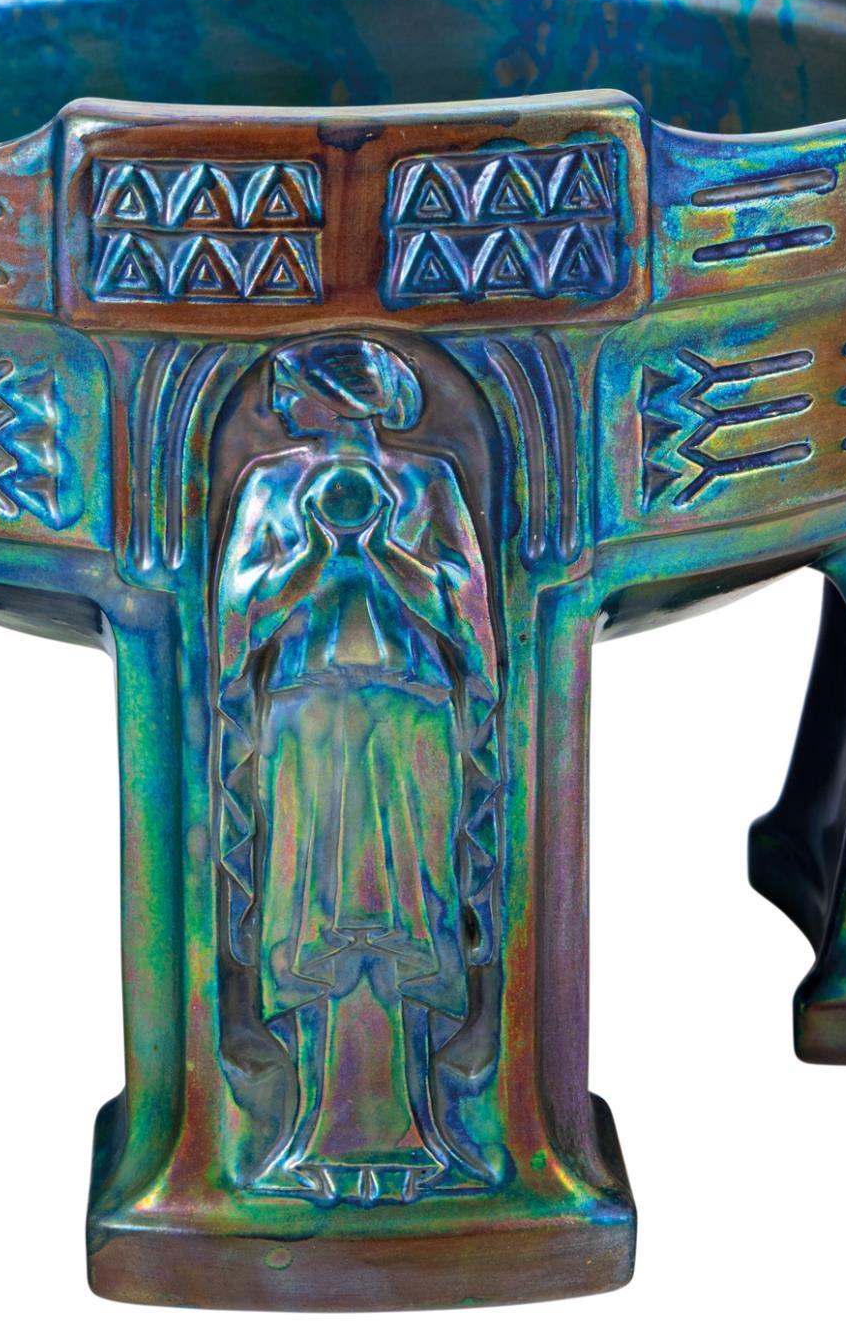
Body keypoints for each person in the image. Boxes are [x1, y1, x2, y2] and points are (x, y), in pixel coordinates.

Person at [216, 337, 499, 1201]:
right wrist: (314, 549)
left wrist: (377, 547)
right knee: (311, 908)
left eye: (292, 391)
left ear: (337, 397)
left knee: (411, 905)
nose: (281, 407)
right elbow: (241, 612)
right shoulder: (271, 485)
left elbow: (464, 607)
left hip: (410, 711)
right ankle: (310, 1126)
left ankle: (417, 1126)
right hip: (306, 714)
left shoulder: (426, 481)